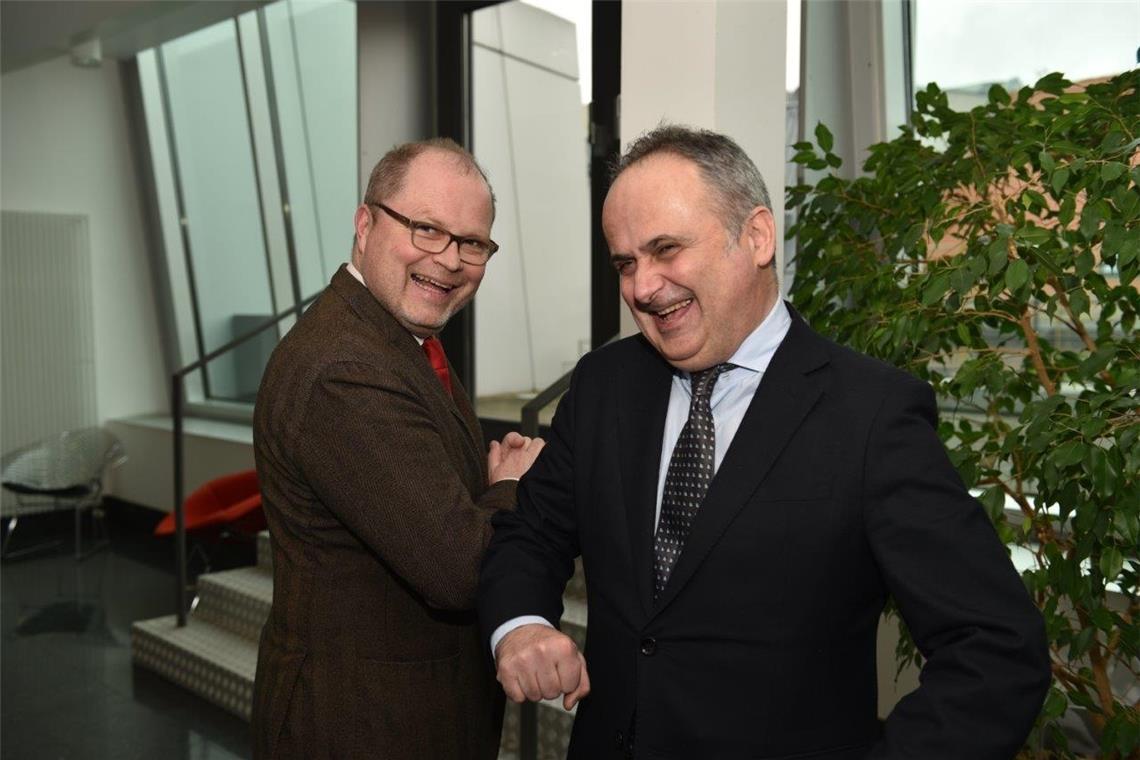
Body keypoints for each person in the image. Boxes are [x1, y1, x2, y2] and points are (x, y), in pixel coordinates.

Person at [478, 126, 1050, 759]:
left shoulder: (871, 415)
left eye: (666, 249)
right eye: (626, 263)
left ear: (755, 237)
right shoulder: (603, 385)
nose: (642, 287)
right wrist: (520, 625)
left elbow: (996, 647)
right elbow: (532, 534)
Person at [252, 138, 544, 759]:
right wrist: (509, 487)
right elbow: (458, 570)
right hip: (361, 726)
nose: (449, 259)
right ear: (365, 225)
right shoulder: (343, 367)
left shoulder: (394, 338)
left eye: (472, 243)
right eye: (426, 228)